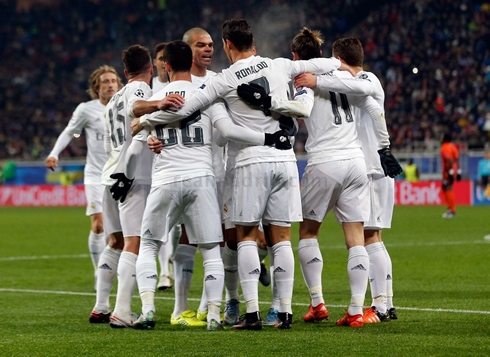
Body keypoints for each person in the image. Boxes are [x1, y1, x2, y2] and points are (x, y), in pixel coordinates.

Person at [132, 18, 344, 330]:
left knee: (244, 237)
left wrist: (147, 119)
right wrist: (312, 78)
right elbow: (330, 63)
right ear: (252, 41)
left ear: (228, 45)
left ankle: (253, 313)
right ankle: (282, 312)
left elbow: (188, 108)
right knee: (281, 238)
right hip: (285, 159)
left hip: (249, 162)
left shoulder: (224, 80)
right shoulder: (281, 65)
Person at [129, 40, 291, 331]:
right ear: (191, 62)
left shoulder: (156, 97)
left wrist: (151, 131)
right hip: (202, 178)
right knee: (211, 251)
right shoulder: (208, 95)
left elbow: (137, 118)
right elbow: (224, 134)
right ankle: (215, 315)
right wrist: (268, 137)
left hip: (165, 178)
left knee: (150, 246)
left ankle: (149, 310)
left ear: (165, 66)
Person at [244, 29, 401, 327]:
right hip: (356, 162)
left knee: (308, 232)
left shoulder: (305, 82)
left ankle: (317, 303)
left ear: (295, 57)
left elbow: (299, 109)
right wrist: (384, 147)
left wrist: (267, 102)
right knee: (357, 238)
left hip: (325, 162)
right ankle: (357, 309)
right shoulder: (347, 79)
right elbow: (372, 107)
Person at [89, 45, 179, 327]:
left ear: (125, 72)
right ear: (151, 70)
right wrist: (160, 104)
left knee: (114, 242)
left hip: (109, 176)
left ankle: (101, 305)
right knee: (134, 243)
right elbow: (139, 123)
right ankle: (122, 310)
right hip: (132, 178)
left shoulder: (113, 98)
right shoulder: (139, 91)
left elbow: (108, 144)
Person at [331, 37, 399, 322]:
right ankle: (387, 302)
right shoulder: (351, 87)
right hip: (372, 168)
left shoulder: (367, 79)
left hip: (372, 168)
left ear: (341, 60)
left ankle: (381, 306)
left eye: (335, 62)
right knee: (375, 237)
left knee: (370, 237)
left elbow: (365, 91)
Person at [46, 65, 122, 288]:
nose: (110, 84)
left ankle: (113, 270)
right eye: (105, 81)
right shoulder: (86, 109)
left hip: (120, 175)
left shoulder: (126, 106)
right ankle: (99, 273)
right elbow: (70, 131)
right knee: (98, 225)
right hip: (95, 174)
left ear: (119, 84)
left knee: (116, 230)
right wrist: (53, 153)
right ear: (96, 87)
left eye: (113, 81)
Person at [440, 133, 461, 218]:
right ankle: (450, 209)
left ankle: (452, 210)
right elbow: (457, 159)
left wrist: (451, 172)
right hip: (453, 170)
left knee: (448, 188)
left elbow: (449, 159)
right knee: (444, 188)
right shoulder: (453, 146)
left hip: (448, 172)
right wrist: (459, 171)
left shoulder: (445, 147)